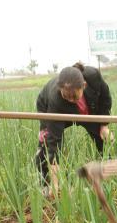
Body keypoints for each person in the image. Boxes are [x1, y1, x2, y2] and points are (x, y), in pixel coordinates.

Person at [34, 62, 112, 195]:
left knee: (101, 138)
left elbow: (105, 98)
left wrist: (104, 125)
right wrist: (55, 183)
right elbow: (54, 143)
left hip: (88, 110)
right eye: (66, 96)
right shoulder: (56, 100)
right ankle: (46, 184)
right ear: (60, 90)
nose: (71, 100)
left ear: (84, 86)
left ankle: (107, 175)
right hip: (55, 110)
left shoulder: (93, 77)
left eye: (75, 96)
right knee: (47, 143)